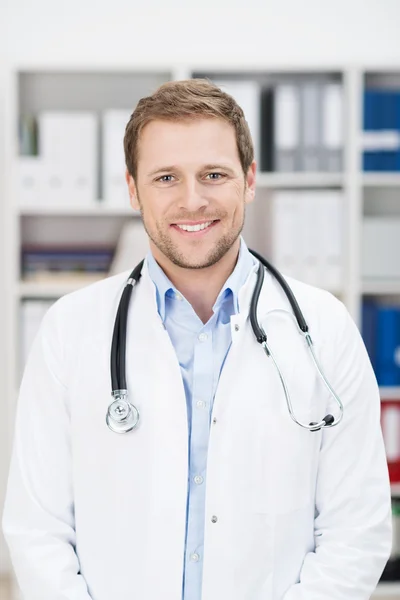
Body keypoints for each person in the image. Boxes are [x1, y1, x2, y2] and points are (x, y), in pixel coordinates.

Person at [2, 79, 392, 600]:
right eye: (166, 177)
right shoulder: (69, 330)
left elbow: (356, 532)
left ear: (249, 180)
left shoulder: (326, 329)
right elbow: (38, 530)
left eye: (214, 174)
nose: (192, 200)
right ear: (133, 188)